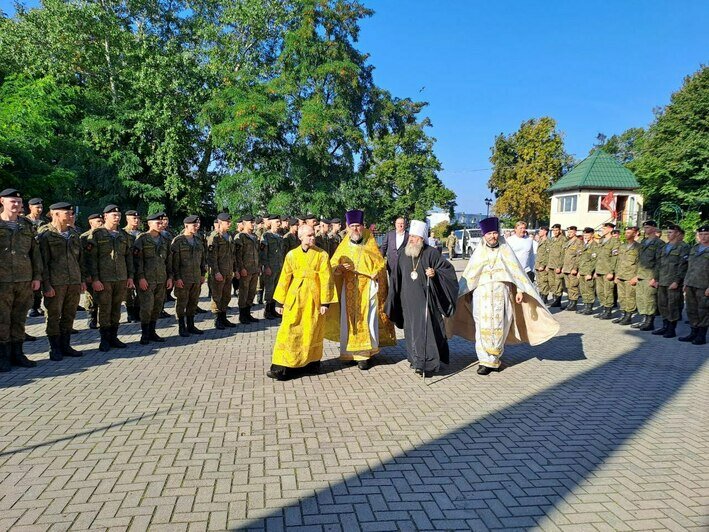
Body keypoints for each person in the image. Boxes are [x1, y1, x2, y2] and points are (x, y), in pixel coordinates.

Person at [446, 217, 559, 375]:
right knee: (482, 327)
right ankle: (484, 360)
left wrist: (520, 291)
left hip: (501, 295)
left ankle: (495, 358)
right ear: (484, 235)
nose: (492, 236)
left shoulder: (506, 250)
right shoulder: (479, 253)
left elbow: (517, 273)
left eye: (494, 233)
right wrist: (467, 293)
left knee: (501, 325)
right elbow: (470, 275)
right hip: (482, 296)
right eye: (489, 233)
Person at [385, 220, 458, 377]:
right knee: (411, 332)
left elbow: (448, 271)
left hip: (426, 301)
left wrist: (435, 274)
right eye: (410, 236)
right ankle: (415, 359)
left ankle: (426, 363)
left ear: (423, 239)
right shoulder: (404, 253)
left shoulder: (431, 253)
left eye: (415, 237)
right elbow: (395, 277)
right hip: (407, 301)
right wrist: (393, 297)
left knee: (425, 331)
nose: (411, 239)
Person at [325, 209, 396, 370]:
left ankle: (365, 355)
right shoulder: (343, 246)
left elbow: (380, 265)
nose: (355, 229)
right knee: (348, 321)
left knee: (367, 320)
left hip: (367, 289)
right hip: (348, 288)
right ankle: (349, 353)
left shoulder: (370, 243)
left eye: (358, 226)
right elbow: (333, 264)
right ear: (347, 226)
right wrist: (340, 268)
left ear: (363, 226)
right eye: (352, 226)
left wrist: (375, 273)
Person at [267, 225, 337, 380]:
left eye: (313, 235)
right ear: (301, 237)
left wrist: (325, 303)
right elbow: (284, 278)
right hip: (295, 299)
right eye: (309, 235)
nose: (313, 238)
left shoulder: (322, 255)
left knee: (312, 331)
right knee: (289, 330)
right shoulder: (291, 255)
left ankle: (310, 364)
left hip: (314, 299)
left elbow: (327, 279)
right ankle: (281, 367)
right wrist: (279, 302)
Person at [0, 189, 42, 371]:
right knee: (2, 319)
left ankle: (18, 353)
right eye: (12, 201)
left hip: (24, 280)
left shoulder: (26, 225)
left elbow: (35, 253)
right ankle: (3, 356)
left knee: (19, 318)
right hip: (2, 281)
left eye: (18, 202)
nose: (16, 205)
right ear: (2, 201)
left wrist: (37, 276)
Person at [37, 202, 86, 360]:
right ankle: (55, 348)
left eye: (72, 213)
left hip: (73, 281)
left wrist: (82, 280)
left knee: (69, 314)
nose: (71, 216)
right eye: (68, 213)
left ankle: (66, 345)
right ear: (55, 214)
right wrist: (46, 285)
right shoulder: (46, 235)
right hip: (55, 283)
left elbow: (81, 260)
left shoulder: (74, 233)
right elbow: (42, 262)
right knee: (53, 315)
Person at [85, 205, 135, 352]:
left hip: (121, 277)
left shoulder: (124, 235)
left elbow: (129, 257)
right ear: (105, 216)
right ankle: (104, 339)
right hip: (104, 278)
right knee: (104, 309)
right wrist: (95, 279)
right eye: (113, 215)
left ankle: (114, 336)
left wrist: (130, 276)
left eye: (118, 214)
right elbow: (92, 259)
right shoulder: (97, 234)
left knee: (116, 308)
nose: (117, 217)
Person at [133, 212, 173, 344]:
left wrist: (170, 277)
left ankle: (152, 331)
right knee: (146, 307)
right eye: (158, 223)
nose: (161, 225)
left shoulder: (165, 239)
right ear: (150, 224)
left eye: (162, 222)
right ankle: (144, 334)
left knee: (157, 307)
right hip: (147, 280)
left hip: (161, 278)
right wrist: (140, 278)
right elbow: (138, 261)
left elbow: (169, 260)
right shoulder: (142, 239)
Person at [652, 225, 690, 338]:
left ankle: (671, 329)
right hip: (663, 280)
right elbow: (659, 264)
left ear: (678, 233)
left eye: (671, 232)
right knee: (662, 304)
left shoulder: (683, 247)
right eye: (667, 232)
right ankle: (664, 326)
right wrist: (656, 279)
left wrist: (677, 281)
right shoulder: (665, 247)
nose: (668, 234)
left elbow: (683, 266)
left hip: (673, 281)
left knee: (672, 305)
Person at [171, 215, 206, 337]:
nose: (196, 227)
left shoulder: (198, 240)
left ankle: (191, 325)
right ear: (186, 225)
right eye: (194, 225)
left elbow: (202, 259)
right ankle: (182, 327)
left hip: (196, 277)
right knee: (182, 302)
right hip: (183, 278)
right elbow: (174, 262)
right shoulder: (178, 241)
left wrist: (202, 274)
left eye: (197, 225)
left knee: (193, 302)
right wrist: (177, 278)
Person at [207, 212, 237, 330]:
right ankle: (217, 319)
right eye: (227, 222)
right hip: (218, 272)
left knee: (226, 296)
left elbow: (232, 255)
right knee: (217, 296)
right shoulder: (214, 237)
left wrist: (234, 269)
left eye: (230, 222)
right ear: (220, 223)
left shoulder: (229, 236)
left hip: (228, 271)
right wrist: (216, 272)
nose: (230, 224)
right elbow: (211, 257)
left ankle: (223, 318)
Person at [678, 224, 708, 345]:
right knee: (691, 310)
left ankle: (701, 335)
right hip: (691, 284)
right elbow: (689, 267)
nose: (703, 237)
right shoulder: (694, 248)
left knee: (704, 311)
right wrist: (685, 282)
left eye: (706, 234)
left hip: (704, 286)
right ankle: (693, 332)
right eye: (701, 234)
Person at [632, 220, 663, 331]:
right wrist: (636, 274)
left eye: (648, 227)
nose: (646, 230)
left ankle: (650, 322)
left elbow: (659, 262)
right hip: (641, 274)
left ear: (654, 229)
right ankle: (644, 320)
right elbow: (639, 260)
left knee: (649, 299)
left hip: (650, 275)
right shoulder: (644, 242)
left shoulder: (659, 243)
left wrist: (656, 278)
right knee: (641, 298)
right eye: (645, 228)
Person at [612, 226, 641, 326]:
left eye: (629, 233)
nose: (626, 234)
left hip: (631, 276)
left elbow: (641, 263)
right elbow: (618, 262)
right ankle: (623, 314)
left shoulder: (639, 247)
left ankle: (628, 316)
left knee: (630, 297)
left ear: (634, 234)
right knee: (622, 297)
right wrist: (616, 275)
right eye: (625, 233)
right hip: (621, 276)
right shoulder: (622, 246)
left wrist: (636, 277)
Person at [235, 215, 261, 324]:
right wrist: (241, 268)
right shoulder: (240, 237)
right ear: (245, 224)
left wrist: (259, 266)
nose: (253, 224)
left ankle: (248, 313)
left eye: (254, 222)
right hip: (245, 269)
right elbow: (237, 255)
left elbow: (257, 253)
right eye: (251, 222)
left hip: (254, 269)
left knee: (251, 292)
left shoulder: (254, 237)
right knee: (243, 292)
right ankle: (242, 315)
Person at [81, 213, 104, 329]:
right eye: (98, 221)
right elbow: (83, 258)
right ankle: (91, 318)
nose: (101, 223)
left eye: (102, 221)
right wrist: (86, 274)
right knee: (91, 296)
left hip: (102, 271)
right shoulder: (85, 237)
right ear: (91, 223)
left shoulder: (104, 235)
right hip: (89, 271)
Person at [261, 214, 285, 320]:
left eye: (279, 222)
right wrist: (266, 266)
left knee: (276, 289)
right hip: (270, 267)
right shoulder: (266, 236)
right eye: (277, 222)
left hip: (279, 266)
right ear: (270, 223)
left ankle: (273, 309)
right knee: (269, 289)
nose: (279, 224)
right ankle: (267, 311)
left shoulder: (280, 237)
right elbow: (263, 253)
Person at [593, 223, 620, 320]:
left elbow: (615, 258)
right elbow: (598, 257)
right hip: (600, 269)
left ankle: (608, 311)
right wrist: (596, 270)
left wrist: (611, 272)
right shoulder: (601, 241)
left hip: (607, 270)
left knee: (608, 291)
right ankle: (604, 309)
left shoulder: (615, 242)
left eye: (604, 228)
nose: (602, 230)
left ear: (609, 229)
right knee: (600, 292)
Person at [576, 227, 598, 315]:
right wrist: (579, 271)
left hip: (589, 272)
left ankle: (589, 307)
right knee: (583, 290)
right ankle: (585, 306)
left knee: (589, 290)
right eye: (584, 234)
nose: (585, 236)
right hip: (582, 271)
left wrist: (589, 273)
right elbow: (581, 259)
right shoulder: (584, 245)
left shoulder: (594, 246)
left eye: (587, 234)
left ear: (592, 235)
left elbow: (594, 261)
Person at [561, 226, 583, 311]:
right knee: (568, 286)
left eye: (571, 232)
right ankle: (570, 302)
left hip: (572, 268)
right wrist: (563, 266)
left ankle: (573, 304)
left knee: (573, 286)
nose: (569, 233)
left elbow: (579, 257)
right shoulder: (568, 242)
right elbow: (565, 256)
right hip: (566, 268)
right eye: (568, 232)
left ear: (575, 232)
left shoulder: (578, 242)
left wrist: (575, 268)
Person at [546, 223, 566, 307]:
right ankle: (554, 299)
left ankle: (558, 301)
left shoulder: (563, 240)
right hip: (551, 265)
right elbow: (549, 253)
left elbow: (563, 254)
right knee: (552, 283)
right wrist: (547, 265)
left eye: (557, 230)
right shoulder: (552, 239)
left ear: (560, 230)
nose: (555, 232)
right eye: (554, 230)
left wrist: (560, 266)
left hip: (557, 266)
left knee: (558, 284)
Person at [534, 227, 550, 302]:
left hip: (542, 266)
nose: (539, 232)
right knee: (539, 282)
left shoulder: (547, 241)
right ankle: (541, 295)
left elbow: (547, 255)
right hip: (538, 264)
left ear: (545, 231)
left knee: (544, 282)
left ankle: (544, 297)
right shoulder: (540, 240)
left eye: (540, 231)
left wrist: (543, 265)